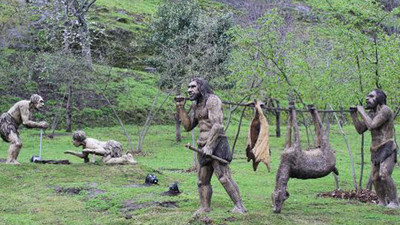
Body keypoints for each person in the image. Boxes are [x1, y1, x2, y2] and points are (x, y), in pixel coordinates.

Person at [175, 78, 246, 215]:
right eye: (188, 87)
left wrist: (209, 146)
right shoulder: (196, 105)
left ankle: (239, 206)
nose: (189, 90)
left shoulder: (212, 100)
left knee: (224, 177)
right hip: (202, 146)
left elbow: (218, 126)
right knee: (202, 181)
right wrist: (180, 107)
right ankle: (205, 207)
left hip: (216, 143)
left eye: (193, 87)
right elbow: (188, 126)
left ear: (201, 87)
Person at [350, 89, 399, 209]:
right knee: (375, 177)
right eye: (367, 97)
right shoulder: (371, 114)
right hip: (375, 149)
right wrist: (354, 115)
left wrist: (361, 111)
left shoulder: (385, 110)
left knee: (384, 174)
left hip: (387, 146)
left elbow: (372, 125)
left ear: (380, 98)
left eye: (371, 96)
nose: (367, 99)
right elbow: (360, 129)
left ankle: (394, 202)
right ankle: (382, 202)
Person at [0, 94, 48, 164]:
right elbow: (26, 122)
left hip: (13, 125)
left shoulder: (29, 110)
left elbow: (27, 125)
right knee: (15, 142)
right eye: (41, 101)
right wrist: (39, 124)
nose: (43, 104)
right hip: (6, 122)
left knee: (19, 144)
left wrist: (39, 125)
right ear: (34, 101)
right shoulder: (24, 104)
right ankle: (10, 161)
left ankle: (13, 161)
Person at [64, 130, 137, 165]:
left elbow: (103, 151)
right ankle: (128, 156)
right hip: (112, 147)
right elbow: (83, 156)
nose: (73, 142)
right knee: (105, 161)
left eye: (73, 140)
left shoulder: (89, 143)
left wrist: (91, 150)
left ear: (78, 140)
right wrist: (71, 152)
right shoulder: (85, 144)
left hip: (111, 146)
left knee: (105, 162)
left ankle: (125, 159)